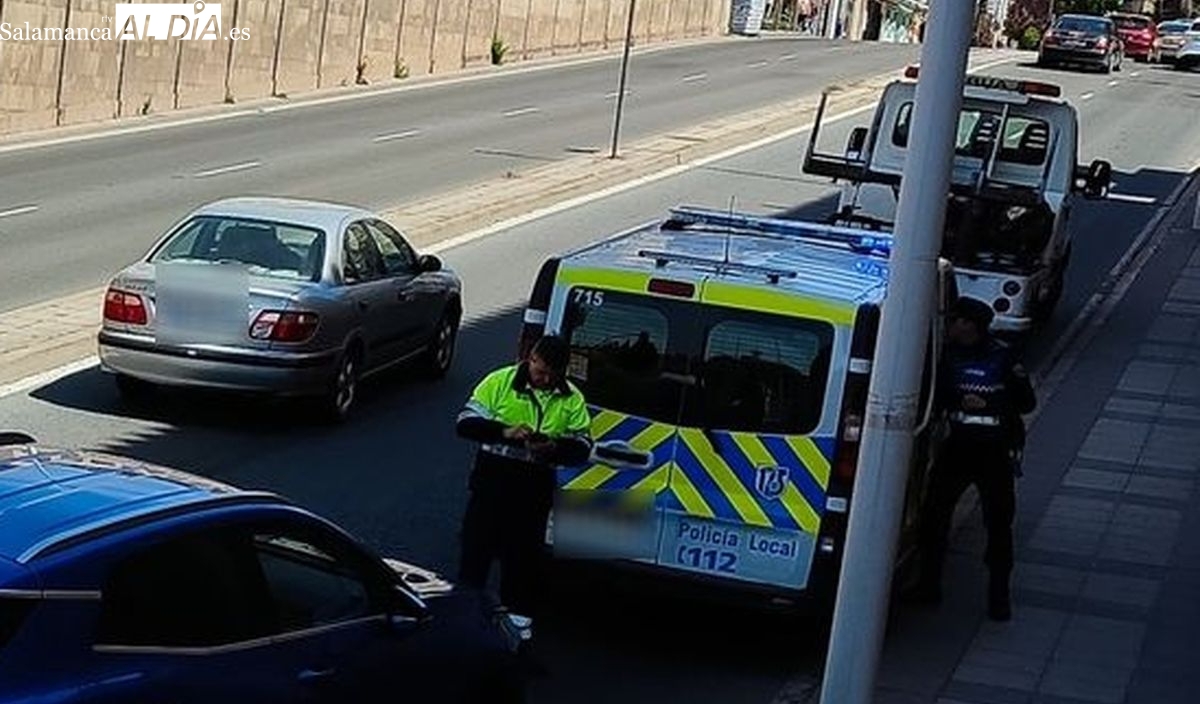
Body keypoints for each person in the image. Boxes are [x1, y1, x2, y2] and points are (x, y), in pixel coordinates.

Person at [455, 334, 592, 657]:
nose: (542, 378)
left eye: (549, 375)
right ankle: (462, 633)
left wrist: (553, 447)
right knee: (474, 560)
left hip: (533, 491)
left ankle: (516, 646)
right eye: (539, 370)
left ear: (561, 372)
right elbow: (465, 424)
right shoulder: (499, 382)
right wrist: (505, 432)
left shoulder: (572, 399)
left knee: (522, 570)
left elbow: (583, 447)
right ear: (531, 358)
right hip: (492, 485)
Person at [914, 297, 1036, 622]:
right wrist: (957, 398)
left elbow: (1026, 403)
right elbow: (934, 399)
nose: (952, 326)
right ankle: (928, 586)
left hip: (994, 451)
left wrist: (992, 403)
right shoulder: (948, 357)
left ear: (970, 324)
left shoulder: (1003, 357)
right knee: (934, 516)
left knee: (998, 524)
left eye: (957, 320)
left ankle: (999, 598)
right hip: (958, 448)